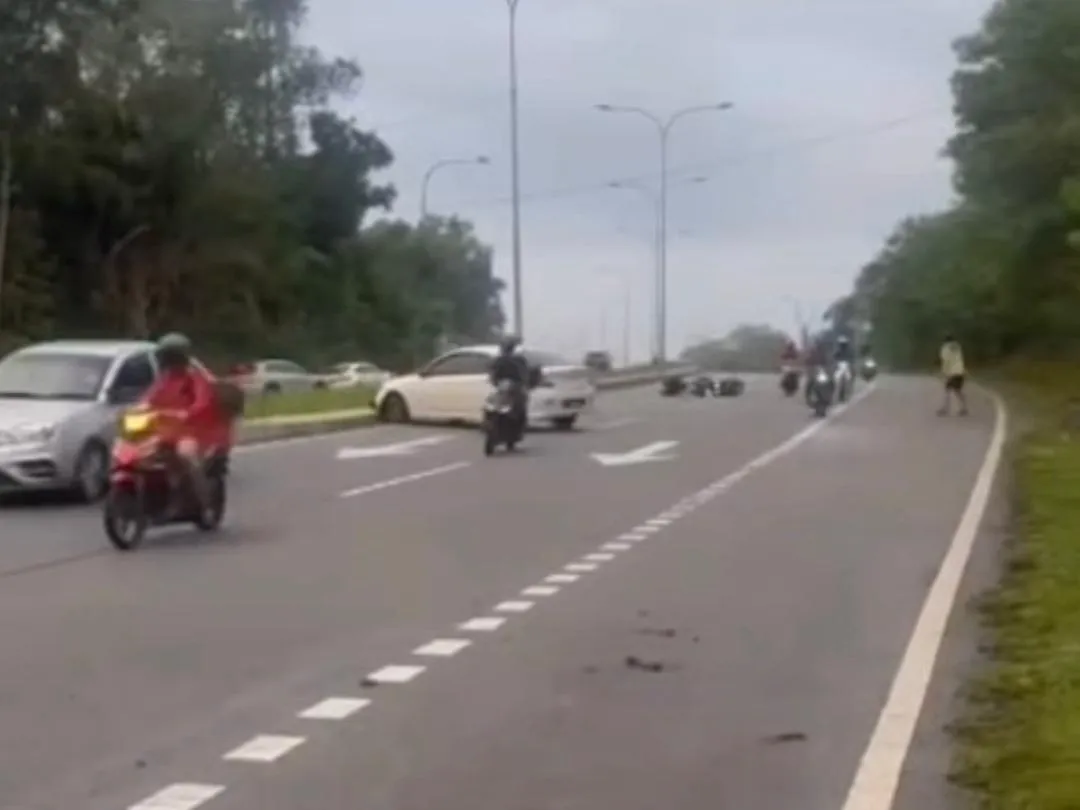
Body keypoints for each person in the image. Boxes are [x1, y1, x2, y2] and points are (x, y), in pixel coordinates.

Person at [141, 332, 217, 514]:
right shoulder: (164, 380)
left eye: (171, 357)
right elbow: (149, 398)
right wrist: (140, 408)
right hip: (163, 431)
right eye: (166, 357)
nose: (168, 362)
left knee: (186, 456)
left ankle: (202, 497)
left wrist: (187, 413)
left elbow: (202, 401)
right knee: (139, 454)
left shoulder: (195, 378)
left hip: (189, 431)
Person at [488, 334, 530, 430]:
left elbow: (493, 375)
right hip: (507, 388)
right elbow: (493, 373)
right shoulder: (517, 360)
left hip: (511, 388)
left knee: (519, 406)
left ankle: (516, 426)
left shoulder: (502, 360)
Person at [938, 334, 967, 416]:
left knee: (947, 390)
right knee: (958, 390)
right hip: (960, 371)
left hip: (952, 372)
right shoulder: (957, 347)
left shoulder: (945, 348)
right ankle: (963, 408)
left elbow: (946, 361)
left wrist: (944, 372)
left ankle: (945, 408)